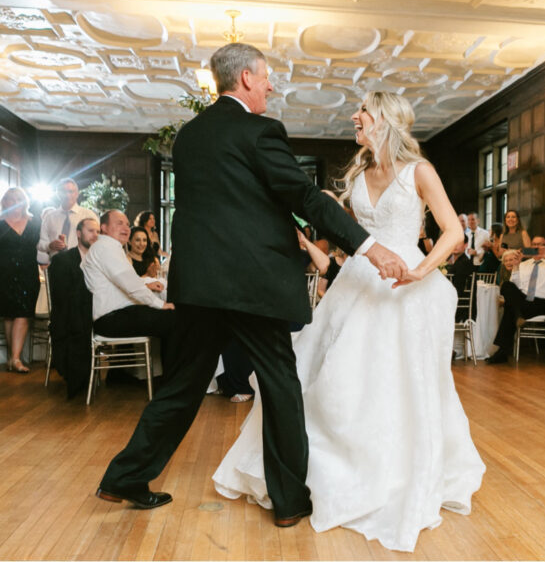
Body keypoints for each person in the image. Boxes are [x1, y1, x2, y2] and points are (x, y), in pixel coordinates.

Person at [95, 43, 407, 523]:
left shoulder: (189, 137)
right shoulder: (261, 131)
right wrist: (370, 246)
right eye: (265, 78)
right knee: (281, 385)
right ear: (244, 78)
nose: (270, 86)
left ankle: (123, 477)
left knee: (181, 387)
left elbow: (229, 208)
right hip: (252, 287)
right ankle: (288, 502)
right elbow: (302, 194)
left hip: (198, 286)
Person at [213, 89, 485, 552]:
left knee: (391, 382)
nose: (355, 116)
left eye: (363, 111)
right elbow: (346, 231)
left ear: (383, 120)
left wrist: (422, 269)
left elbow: (453, 231)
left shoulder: (419, 171)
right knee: (334, 375)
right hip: (357, 283)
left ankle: (388, 473)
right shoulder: (360, 170)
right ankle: (319, 472)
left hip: (403, 288)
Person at [81, 211, 175, 341]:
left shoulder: (109, 247)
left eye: (127, 224)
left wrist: (146, 285)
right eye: (119, 223)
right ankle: (178, 361)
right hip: (111, 318)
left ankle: (171, 361)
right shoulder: (105, 248)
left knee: (174, 318)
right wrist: (160, 304)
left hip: (114, 315)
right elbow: (131, 286)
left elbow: (128, 281)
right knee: (176, 319)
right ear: (104, 227)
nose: (126, 228)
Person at [489, 236, 545, 364]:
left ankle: (503, 351)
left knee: (510, 309)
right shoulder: (523, 265)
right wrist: (516, 266)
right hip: (523, 301)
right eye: (534, 244)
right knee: (507, 285)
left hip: (541, 303)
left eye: (540, 244)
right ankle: (518, 316)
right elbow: (514, 287)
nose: (536, 247)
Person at [48, 217, 99, 398]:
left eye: (98, 232)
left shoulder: (100, 260)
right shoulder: (63, 260)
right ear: (78, 234)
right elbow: (61, 298)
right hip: (70, 315)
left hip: (96, 312)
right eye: (91, 231)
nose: (95, 235)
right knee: (75, 316)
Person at [0, 187, 41, 373]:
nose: (15, 201)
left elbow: (43, 246)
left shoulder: (35, 223)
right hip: (4, 274)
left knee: (23, 313)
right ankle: (12, 358)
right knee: (9, 314)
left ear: (25, 202)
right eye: (10, 198)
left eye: (18, 198)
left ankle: (15, 358)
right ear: (4, 202)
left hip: (28, 273)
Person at [36, 178, 99, 265]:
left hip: (83, 264)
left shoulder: (88, 215)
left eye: (71, 191)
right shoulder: (50, 217)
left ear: (77, 194)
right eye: (63, 192)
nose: (67, 195)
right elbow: (40, 243)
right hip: (57, 264)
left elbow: (98, 240)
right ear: (58, 194)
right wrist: (49, 245)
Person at [495, 209, 531, 283]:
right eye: (508, 217)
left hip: (519, 265)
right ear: (505, 221)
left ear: (517, 220)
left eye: (513, 217)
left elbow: (532, 252)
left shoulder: (523, 233)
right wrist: (502, 252)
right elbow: (499, 255)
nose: (510, 219)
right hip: (505, 265)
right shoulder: (502, 235)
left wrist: (517, 252)